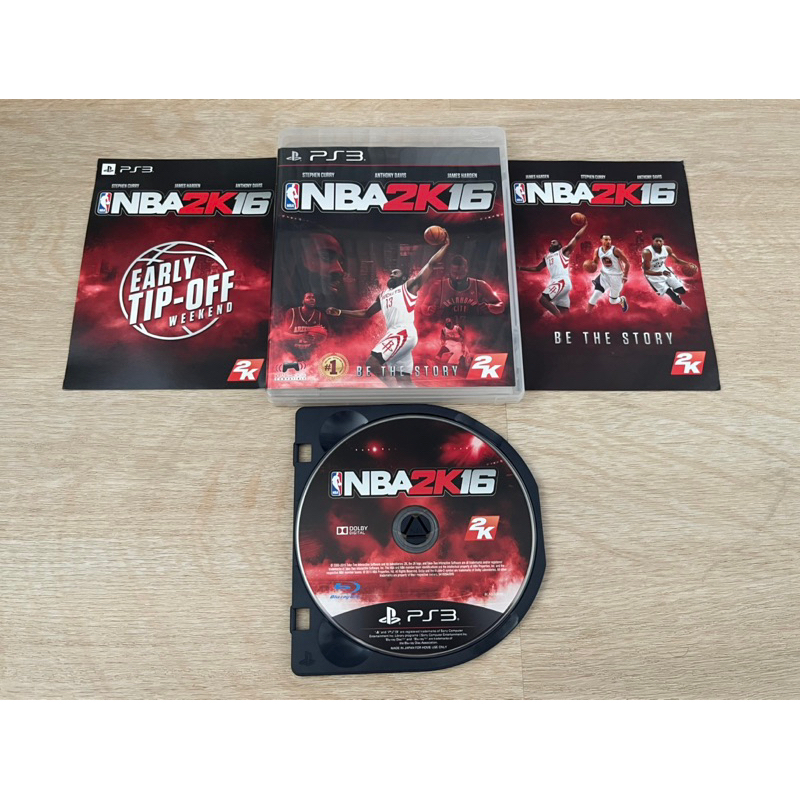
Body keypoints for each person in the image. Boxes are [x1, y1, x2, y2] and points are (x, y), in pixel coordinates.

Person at [327, 233, 451, 385]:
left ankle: (393, 393)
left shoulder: (409, 287)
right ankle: (411, 397)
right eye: (391, 273)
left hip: (403, 332)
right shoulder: (383, 295)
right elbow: (366, 313)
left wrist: (445, 246)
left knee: (372, 362)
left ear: (403, 278)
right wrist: (340, 312)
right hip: (396, 333)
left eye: (395, 273)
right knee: (403, 379)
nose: (391, 274)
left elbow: (430, 265)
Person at [520, 218, 588, 315]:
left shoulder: (563, 252)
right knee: (564, 312)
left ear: (559, 246)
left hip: (562, 281)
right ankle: (565, 323)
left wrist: (585, 226)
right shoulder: (547, 257)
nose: (551, 243)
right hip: (555, 281)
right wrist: (520, 268)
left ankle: (560, 319)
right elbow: (537, 268)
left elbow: (576, 238)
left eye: (554, 242)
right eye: (551, 242)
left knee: (543, 300)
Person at [586, 234, 630, 312]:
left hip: (617, 277)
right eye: (606, 239)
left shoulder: (616, 250)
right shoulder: (598, 250)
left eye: (609, 240)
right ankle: (587, 314)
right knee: (595, 295)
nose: (608, 241)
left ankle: (621, 300)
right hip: (604, 276)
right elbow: (595, 262)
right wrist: (590, 266)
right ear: (601, 240)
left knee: (612, 301)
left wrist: (625, 276)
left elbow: (627, 263)